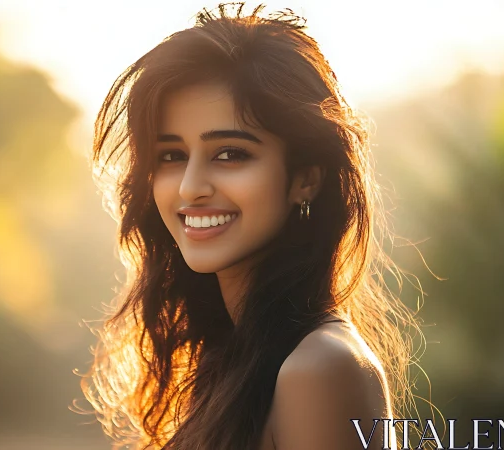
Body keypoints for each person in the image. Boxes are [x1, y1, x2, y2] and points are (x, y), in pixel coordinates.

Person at [82, 3, 422, 449]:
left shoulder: (320, 368)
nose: (190, 188)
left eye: (230, 153)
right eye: (171, 155)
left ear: (305, 178)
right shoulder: (231, 361)